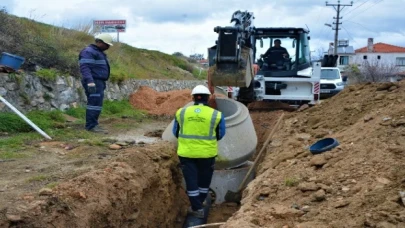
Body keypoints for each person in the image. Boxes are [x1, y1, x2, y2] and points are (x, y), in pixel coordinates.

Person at [172, 85, 226, 218]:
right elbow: (220, 134)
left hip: (186, 153)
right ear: (208, 98)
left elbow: (175, 132)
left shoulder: (182, 112)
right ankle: (200, 203)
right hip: (207, 154)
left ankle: (196, 208)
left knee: (191, 181)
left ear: (193, 98)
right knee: (204, 181)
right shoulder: (216, 114)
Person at [78, 33, 113, 133]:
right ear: (99, 42)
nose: (108, 47)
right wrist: (90, 82)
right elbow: (85, 67)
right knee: (94, 103)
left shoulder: (98, 52)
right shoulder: (89, 52)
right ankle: (91, 126)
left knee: (96, 103)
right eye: (106, 44)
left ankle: (94, 124)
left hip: (98, 82)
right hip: (94, 82)